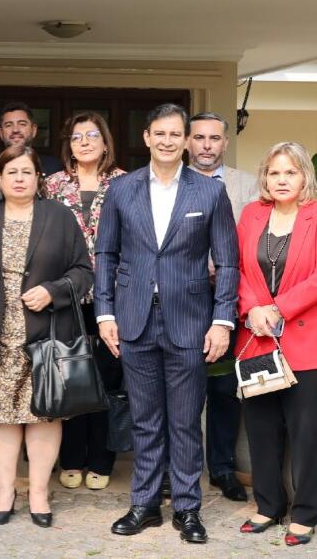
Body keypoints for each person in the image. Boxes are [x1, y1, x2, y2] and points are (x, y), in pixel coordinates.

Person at [96, 104, 238, 544]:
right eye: (160, 133)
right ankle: (144, 504)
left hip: (190, 321)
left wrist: (222, 320)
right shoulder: (121, 189)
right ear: (146, 137)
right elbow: (106, 254)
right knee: (144, 419)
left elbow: (228, 262)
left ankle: (187, 508)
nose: (168, 141)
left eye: (176, 134)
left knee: (185, 420)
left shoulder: (209, 192)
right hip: (133, 319)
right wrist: (105, 313)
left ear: (186, 140)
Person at [0, 145, 93, 528]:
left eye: (26, 172)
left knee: (44, 415)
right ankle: (4, 491)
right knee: (0, 417)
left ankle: (39, 493)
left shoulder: (59, 217)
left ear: (38, 179)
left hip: (46, 336)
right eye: (11, 172)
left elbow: (83, 271)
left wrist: (53, 291)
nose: (19, 178)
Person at [235, 142, 317, 547]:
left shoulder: (315, 216)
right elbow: (236, 267)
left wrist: (278, 308)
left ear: (305, 177)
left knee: (306, 433)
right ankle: (268, 505)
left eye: (290, 172)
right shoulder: (251, 214)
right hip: (257, 338)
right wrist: (252, 308)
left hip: (305, 339)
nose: (281, 180)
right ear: (264, 177)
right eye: (274, 172)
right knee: (261, 427)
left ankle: (305, 513)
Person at [45, 111, 126, 492]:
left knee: (108, 378)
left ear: (105, 142)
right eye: (77, 136)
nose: (85, 142)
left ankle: (101, 458)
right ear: (69, 145)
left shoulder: (126, 183)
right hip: (67, 294)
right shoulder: (52, 184)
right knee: (72, 375)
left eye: (92, 135)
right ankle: (72, 457)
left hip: (114, 294)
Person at [186, 111, 258, 503]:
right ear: (187, 142)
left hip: (230, 300)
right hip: (182, 301)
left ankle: (223, 468)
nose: (207, 145)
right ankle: (180, 470)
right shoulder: (170, 182)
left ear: (226, 143)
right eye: (199, 137)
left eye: (214, 138)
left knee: (225, 387)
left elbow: (257, 240)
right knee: (182, 388)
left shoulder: (247, 185)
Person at [0, 102, 64, 218]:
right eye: (8, 125)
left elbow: (60, 216)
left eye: (22, 124)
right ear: (0, 133)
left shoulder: (53, 167)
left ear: (34, 130)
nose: (15, 130)